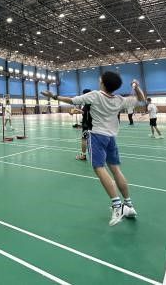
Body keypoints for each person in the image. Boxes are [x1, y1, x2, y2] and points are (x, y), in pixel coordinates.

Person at [42, 71, 145, 226]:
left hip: (97, 136)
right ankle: (129, 205)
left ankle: (117, 206)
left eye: (100, 78)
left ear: (103, 82)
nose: (99, 79)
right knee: (116, 170)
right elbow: (141, 100)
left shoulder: (95, 95)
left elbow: (72, 100)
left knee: (99, 168)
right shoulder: (119, 99)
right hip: (111, 138)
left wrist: (54, 96)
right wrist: (136, 87)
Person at [75, 89, 92, 161]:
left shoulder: (87, 103)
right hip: (94, 124)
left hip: (87, 125)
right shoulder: (93, 102)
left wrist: (77, 110)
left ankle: (83, 155)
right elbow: (85, 112)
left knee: (84, 139)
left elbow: (84, 112)